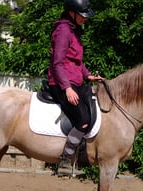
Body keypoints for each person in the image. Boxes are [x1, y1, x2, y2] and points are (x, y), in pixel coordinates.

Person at [48, 0, 102, 176]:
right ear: (71, 13)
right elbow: (57, 63)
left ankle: (81, 156)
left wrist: (88, 76)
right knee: (83, 119)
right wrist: (67, 88)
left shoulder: (74, 31)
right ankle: (65, 161)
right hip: (60, 84)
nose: (85, 19)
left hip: (75, 82)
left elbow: (76, 61)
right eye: (82, 15)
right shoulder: (63, 31)